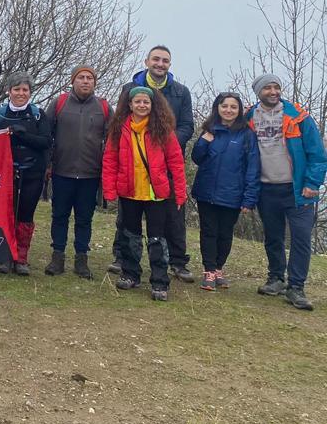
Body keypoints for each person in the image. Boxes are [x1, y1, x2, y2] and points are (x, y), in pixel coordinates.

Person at [111, 45, 195, 281]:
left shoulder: (181, 91)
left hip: (165, 162)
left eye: (165, 60)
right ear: (147, 61)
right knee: (128, 219)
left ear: (170, 64)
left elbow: (187, 125)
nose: (160, 64)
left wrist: (163, 143)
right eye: (156, 59)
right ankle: (123, 260)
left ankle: (177, 262)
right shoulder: (129, 89)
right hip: (133, 166)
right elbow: (118, 124)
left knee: (172, 217)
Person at [247, 74, 327, 310]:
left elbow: (317, 154)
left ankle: (296, 287)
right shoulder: (249, 117)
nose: (273, 91)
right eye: (268, 88)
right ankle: (276, 278)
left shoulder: (299, 117)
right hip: (266, 188)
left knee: (301, 239)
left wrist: (313, 183)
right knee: (273, 237)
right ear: (258, 92)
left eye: (276, 87)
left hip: (298, 190)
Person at [101, 86, 187, 301]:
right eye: (137, 102)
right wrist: (109, 189)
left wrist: (180, 192)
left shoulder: (163, 130)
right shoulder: (119, 129)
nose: (141, 105)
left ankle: (159, 281)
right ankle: (130, 274)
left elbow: (176, 163)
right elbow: (110, 160)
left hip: (156, 194)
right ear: (129, 105)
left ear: (152, 105)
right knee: (130, 235)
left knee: (157, 238)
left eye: (146, 102)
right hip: (129, 192)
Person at [44, 65, 110, 280]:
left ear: (94, 82)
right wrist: (47, 164)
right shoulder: (59, 103)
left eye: (89, 78)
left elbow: (114, 140)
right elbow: (46, 135)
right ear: (73, 81)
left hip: (91, 175)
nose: (85, 81)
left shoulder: (104, 107)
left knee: (84, 219)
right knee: (59, 216)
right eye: (81, 77)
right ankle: (58, 257)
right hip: (62, 172)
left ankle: (82, 260)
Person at [191, 92, 260, 291]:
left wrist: (249, 199)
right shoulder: (209, 130)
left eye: (233, 107)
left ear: (239, 111)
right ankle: (209, 271)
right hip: (206, 192)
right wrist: (204, 140)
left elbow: (253, 167)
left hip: (233, 194)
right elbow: (197, 158)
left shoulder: (247, 135)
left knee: (225, 234)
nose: (228, 110)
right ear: (217, 108)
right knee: (209, 232)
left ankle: (219, 268)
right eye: (224, 106)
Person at [0, 73, 52, 276]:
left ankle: (21, 257)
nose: (20, 93)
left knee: (25, 214)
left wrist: (22, 135)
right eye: (17, 89)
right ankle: (5, 255)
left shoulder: (38, 115)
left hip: (32, 172)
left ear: (30, 93)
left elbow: (45, 141)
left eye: (25, 90)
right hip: (4, 174)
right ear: (9, 92)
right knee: (6, 214)